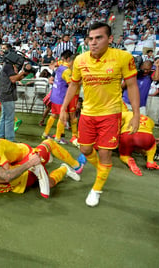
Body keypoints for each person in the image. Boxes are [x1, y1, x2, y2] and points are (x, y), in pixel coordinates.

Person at [60, 22, 140, 207]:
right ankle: (102, 171)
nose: (93, 42)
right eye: (91, 38)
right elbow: (74, 85)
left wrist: (136, 114)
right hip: (87, 114)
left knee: (105, 153)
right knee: (85, 150)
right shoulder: (80, 60)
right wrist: (64, 108)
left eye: (99, 38)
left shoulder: (123, 57)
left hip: (111, 114)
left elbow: (132, 85)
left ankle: (96, 189)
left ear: (110, 39)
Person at [0, 135, 85, 198]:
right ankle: (64, 169)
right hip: (18, 163)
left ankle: (74, 163)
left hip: (28, 154)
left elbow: (7, 176)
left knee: (46, 146)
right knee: (50, 184)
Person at [0, 43, 32, 142]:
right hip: (7, 94)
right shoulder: (8, 66)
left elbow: (16, 77)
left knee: (4, 116)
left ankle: (0, 135)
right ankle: (10, 139)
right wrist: (23, 72)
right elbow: (13, 79)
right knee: (9, 118)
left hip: (5, 94)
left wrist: (24, 73)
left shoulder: (8, 66)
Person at [42, 50, 75, 145]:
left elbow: (55, 64)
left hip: (54, 95)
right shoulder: (67, 70)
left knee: (54, 115)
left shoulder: (60, 66)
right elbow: (71, 85)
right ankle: (58, 137)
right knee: (62, 116)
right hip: (61, 96)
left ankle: (45, 133)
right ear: (69, 59)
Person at [119, 111, 159, 176]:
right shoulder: (150, 120)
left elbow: (115, 121)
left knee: (124, 155)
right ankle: (150, 161)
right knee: (152, 146)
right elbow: (151, 129)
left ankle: (128, 160)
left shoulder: (127, 113)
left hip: (128, 134)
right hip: (146, 136)